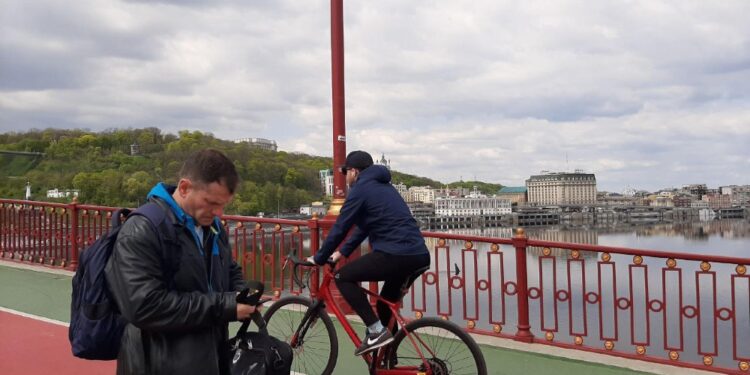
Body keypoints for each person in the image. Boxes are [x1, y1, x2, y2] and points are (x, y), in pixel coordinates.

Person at [105, 149, 256, 375]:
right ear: (184, 188)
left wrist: (243, 291)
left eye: (223, 205)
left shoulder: (213, 227)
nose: (218, 213)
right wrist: (225, 306)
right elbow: (144, 306)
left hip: (207, 356)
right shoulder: (143, 229)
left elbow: (228, 269)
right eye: (211, 203)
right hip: (157, 361)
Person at [308, 150, 431, 356]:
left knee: (343, 277)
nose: (344, 177)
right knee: (384, 306)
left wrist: (318, 258)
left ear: (354, 172)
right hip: (418, 255)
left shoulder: (361, 189)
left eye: (345, 172)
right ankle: (388, 361)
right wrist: (341, 252)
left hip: (395, 254)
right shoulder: (385, 187)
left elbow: (341, 226)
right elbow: (364, 227)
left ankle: (375, 332)